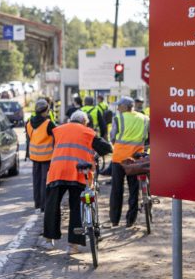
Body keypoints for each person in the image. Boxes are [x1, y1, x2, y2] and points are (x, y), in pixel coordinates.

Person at [40, 110, 112, 253]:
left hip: (57, 171)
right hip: (78, 173)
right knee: (77, 207)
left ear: (70, 119)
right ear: (85, 122)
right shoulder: (88, 132)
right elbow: (107, 148)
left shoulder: (57, 130)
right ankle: (72, 245)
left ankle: (49, 241)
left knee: (52, 205)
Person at [108, 96, 150, 227]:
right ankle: (130, 220)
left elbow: (113, 137)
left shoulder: (118, 118)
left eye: (119, 106)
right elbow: (147, 138)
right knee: (134, 190)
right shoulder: (145, 119)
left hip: (119, 159)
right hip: (136, 161)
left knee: (116, 189)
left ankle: (115, 219)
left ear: (125, 107)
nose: (118, 108)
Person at [25, 99, 55, 212]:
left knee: (36, 180)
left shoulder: (28, 123)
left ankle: (37, 203)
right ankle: (44, 205)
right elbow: (57, 135)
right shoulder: (48, 123)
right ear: (45, 110)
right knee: (44, 181)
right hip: (46, 157)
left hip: (34, 156)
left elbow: (29, 137)